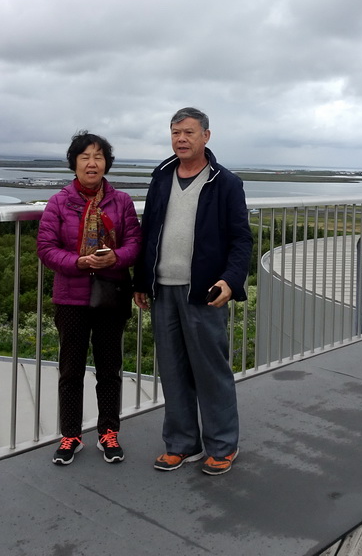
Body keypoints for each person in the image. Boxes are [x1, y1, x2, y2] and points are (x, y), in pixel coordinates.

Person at [134, 107, 252, 476]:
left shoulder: (225, 182)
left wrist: (231, 281)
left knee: (210, 370)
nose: (180, 139)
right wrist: (140, 280)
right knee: (171, 371)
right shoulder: (161, 177)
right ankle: (182, 444)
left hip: (203, 291)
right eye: (174, 132)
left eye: (188, 132)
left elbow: (240, 240)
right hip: (163, 290)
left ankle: (222, 446)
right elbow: (147, 232)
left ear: (206, 136)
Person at [37, 131, 141, 465]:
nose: (92, 163)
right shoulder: (59, 202)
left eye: (98, 156)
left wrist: (116, 259)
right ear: (74, 163)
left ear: (107, 163)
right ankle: (70, 436)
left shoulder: (121, 201)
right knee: (71, 370)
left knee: (110, 368)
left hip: (111, 294)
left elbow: (135, 244)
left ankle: (109, 433)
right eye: (85, 157)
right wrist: (79, 262)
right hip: (71, 297)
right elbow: (46, 248)